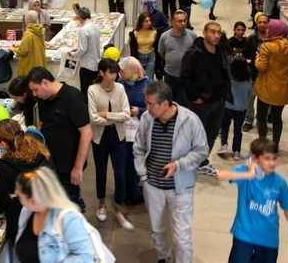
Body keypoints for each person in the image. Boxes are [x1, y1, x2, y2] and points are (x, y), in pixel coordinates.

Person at [134, 81, 208, 263]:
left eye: (151, 104)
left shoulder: (190, 121)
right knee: (157, 230)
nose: (147, 108)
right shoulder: (146, 118)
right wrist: (143, 175)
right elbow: (139, 147)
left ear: (165, 104)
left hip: (181, 188)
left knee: (182, 238)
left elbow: (201, 151)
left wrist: (179, 165)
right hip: (152, 186)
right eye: (147, 103)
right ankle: (163, 257)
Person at [217, 138, 288, 263]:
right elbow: (219, 175)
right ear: (255, 159)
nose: (272, 163)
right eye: (267, 158)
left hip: (269, 242)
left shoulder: (280, 182)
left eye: (274, 158)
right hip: (244, 238)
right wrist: (248, 174)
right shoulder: (244, 173)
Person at [27, 67, 93, 211]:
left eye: (35, 89)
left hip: (68, 165)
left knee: (70, 201)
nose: (34, 94)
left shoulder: (73, 97)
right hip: (51, 161)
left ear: (45, 82)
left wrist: (78, 167)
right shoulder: (44, 99)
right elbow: (44, 124)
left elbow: (86, 133)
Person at [87, 58, 133, 230]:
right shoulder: (92, 90)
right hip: (99, 138)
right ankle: (101, 204)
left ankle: (119, 208)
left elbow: (127, 114)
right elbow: (93, 118)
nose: (114, 76)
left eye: (116, 72)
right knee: (101, 171)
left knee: (120, 173)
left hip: (118, 135)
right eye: (111, 72)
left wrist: (106, 114)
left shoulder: (120, 88)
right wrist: (114, 117)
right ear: (101, 73)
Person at [13, 168, 96, 263]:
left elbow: (86, 258)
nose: (16, 195)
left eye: (19, 196)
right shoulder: (26, 212)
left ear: (33, 200)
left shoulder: (68, 219)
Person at [180, 21, 231, 176]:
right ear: (205, 33)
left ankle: (202, 161)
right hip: (200, 103)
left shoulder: (220, 50)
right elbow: (185, 77)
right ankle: (191, 161)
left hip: (218, 101)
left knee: (212, 132)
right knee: (196, 134)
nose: (216, 35)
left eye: (219, 33)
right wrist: (194, 97)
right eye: (213, 32)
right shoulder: (194, 53)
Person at [0, 120, 52, 249]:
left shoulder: (6, 165)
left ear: (3, 142)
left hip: (20, 215)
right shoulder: (39, 150)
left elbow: (1, 193)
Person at [254, 19, 288, 150]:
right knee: (277, 117)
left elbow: (261, 67)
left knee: (261, 117)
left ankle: (262, 143)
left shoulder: (267, 46)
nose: (266, 30)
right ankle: (275, 145)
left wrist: (257, 58)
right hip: (284, 86)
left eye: (269, 28)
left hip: (267, 86)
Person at [118, 56, 148, 206]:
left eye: (122, 71)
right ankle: (124, 193)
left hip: (139, 132)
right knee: (123, 163)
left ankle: (135, 193)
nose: (119, 74)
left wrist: (140, 111)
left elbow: (155, 108)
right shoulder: (119, 84)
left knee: (136, 162)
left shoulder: (146, 85)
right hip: (123, 130)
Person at [158, 10, 197, 105]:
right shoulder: (165, 36)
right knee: (169, 101)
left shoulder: (192, 36)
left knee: (183, 102)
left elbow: (196, 55)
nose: (183, 23)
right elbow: (161, 53)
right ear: (172, 22)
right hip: (170, 75)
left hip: (186, 77)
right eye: (179, 21)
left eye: (185, 20)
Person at [218, 58, 252, 160]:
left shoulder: (229, 79)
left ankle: (224, 145)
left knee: (225, 127)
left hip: (228, 107)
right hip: (241, 108)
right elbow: (249, 94)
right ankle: (236, 151)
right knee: (238, 130)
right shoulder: (248, 80)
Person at [243, 13, 268, 131]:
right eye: (260, 22)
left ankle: (262, 120)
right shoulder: (250, 39)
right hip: (253, 74)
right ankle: (248, 120)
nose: (262, 24)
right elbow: (246, 56)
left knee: (265, 99)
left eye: (265, 22)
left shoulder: (272, 39)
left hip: (267, 75)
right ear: (256, 24)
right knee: (250, 98)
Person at [71, 6, 101, 99]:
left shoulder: (83, 30)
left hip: (87, 66)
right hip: (96, 63)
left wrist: (73, 54)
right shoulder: (95, 27)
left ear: (80, 17)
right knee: (94, 90)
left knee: (85, 91)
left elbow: (83, 49)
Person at [14, 11, 47, 77]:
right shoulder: (40, 31)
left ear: (26, 20)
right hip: (39, 64)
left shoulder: (28, 34)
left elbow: (23, 51)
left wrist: (14, 49)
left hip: (29, 67)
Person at [129, 13, 159, 80]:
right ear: (141, 22)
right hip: (139, 57)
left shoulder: (154, 31)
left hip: (151, 56)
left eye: (150, 21)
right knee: (139, 78)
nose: (149, 23)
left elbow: (156, 46)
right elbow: (133, 49)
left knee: (149, 79)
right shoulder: (135, 33)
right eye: (146, 21)